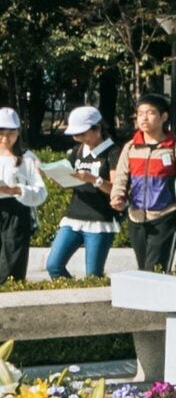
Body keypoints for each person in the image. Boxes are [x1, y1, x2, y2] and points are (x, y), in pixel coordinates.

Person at [114, 98, 176, 278]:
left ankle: (160, 304)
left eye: (151, 113)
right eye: (140, 114)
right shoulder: (130, 147)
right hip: (136, 217)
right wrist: (117, 197)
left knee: (156, 269)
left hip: (165, 215)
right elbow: (121, 177)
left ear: (163, 117)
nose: (144, 118)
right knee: (144, 267)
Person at [47, 106, 117, 278]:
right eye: (75, 135)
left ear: (98, 128)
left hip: (99, 219)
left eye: (82, 134)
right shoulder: (78, 151)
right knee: (53, 265)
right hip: (73, 217)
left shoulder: (113, 152)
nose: (78, 138)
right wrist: (57, 177)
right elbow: (69, 175)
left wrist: (94, 180)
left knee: (93, 275)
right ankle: (69, 296)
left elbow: (117, 188)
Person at [0, 111, 39, 283]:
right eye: (1, 132)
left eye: (10, 133)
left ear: (18, 132)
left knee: (11, 266)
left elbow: (39, 190)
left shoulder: (27, 158)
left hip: (16, 212)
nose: (5, 138)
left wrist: (16, 190)